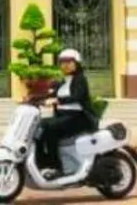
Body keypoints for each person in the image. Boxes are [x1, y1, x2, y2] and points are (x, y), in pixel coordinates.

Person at [34, 47, 97, 177]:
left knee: (50, 129)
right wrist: (32, 99)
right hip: (64, 117)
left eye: (69, 62)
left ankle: (56, 167)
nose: (65, 65)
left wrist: (57, 101)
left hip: (79, 118)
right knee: (38, 127)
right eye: (62, 62)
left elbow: (77, 96)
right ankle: (41, 162)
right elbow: (49, 95)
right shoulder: (62, 81)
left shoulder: (80, 79)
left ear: (77, 63)